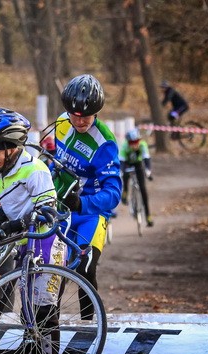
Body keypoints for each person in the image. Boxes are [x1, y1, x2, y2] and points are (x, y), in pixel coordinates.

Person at [0, 107, 66, 354]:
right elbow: (12, 204)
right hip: (25, 245)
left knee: (43, 313)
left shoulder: (35, 170)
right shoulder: (1, 169)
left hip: (46, 244)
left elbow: (46, 210)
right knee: (27, 314)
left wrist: (15, 223)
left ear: (13, 148)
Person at [53, 74, 122, 320]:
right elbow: (55, 160)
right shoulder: (61, 123)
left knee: (84, 269)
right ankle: (47, 328)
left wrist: (83, 203)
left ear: (97, 113)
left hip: (89, 214)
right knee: (53, 272)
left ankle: (89, 323)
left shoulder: (105, 143)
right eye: (75, 115)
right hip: (60, 210)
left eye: (87, 116)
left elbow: (114, 193)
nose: (80, 120)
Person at [120, 128, 154, 227]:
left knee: (143, 189)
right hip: (127, 163)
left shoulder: (143, 145)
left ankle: (148, 216)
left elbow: (146, 158)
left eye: (136, 142)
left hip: (138, 165)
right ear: (128, 142)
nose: (134, 144)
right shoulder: (125, 146)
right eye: (132, 142)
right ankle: (125, 192)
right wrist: (121, 172)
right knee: (125, 175)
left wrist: (148, 171)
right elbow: (121, 161)